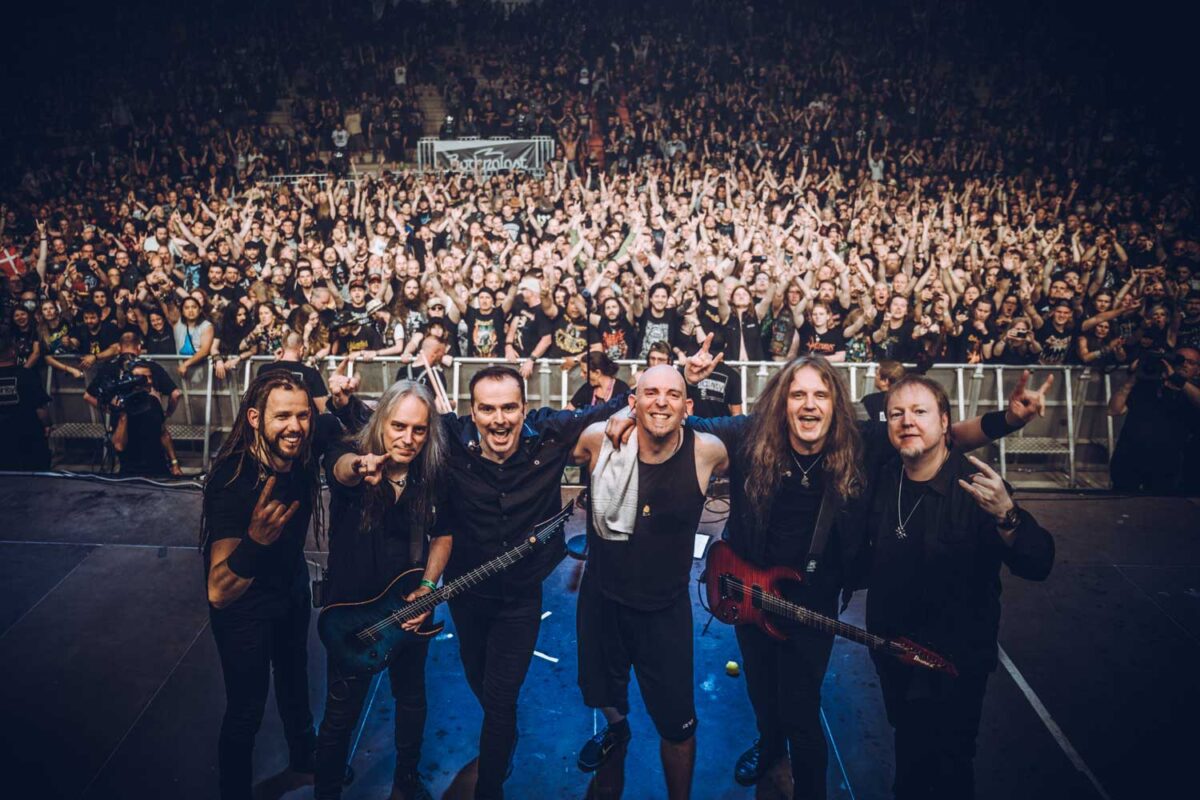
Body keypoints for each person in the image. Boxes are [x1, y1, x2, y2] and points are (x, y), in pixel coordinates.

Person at [607, 342, 1052, 797]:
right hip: (748, 591)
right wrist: (632, 409)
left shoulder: (860, 441)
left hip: (812, 604)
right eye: (798, 395)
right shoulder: (750, 434)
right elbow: (679, 423)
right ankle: (768, 744)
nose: (809, 405)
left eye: (820, 395)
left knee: (801, 713)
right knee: (762, 695)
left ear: (835, 403)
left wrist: (1009, 419)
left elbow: (943, 434)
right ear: (782, 403)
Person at [438, 364, 630, 800]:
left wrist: (629, 411)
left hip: (520, 597)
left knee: (501, 698)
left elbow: (620, 403)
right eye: (488, 409)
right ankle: (503, 733)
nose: (499, 419)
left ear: (525, 409)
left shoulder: (549, 435)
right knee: (480, 682)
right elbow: (386, 425)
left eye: (509, 408)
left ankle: (491, 786)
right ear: (472, 411)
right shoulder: (448, 438)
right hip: (466, 594)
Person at [867, 374, 1055, 799]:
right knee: (908, 748)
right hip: (893, 652)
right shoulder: (882, 478)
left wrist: (1007, 515)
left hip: (955, 661)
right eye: (897, 413)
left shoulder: (977, 486)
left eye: (919, 411)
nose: (907, 421)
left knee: (950, 764)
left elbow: (1038, 563)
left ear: (944, 422)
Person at [571, 365, 729, 799]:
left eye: (672, 395)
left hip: (664, 611)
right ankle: (617, 730)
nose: (661, 401)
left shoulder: (707, 451)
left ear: (688, 406)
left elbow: (759, 459)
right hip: (603, 600)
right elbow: (557, 455)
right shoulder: (599, 440)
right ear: (633, 401)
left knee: (678, 727)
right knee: (603, 691)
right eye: (651, 393)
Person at [314, 381, 450, 800]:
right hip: (352, 615)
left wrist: (428, 588)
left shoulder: (431, 473)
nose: (408, 438)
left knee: (412, 698)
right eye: (399, 426)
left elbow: (444, 534)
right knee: (341, 713)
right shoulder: (352, 454)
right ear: (381, 422)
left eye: (419, 429)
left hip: (408, 608)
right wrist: (360, 466)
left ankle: (406, 780)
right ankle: (326, 791)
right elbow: (340, 468)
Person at [201, 372, 326, 800]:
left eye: (303, 415)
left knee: (294, 676)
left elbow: (342, 437)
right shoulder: (232, 481)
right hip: (244, 608)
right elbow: (218, 591)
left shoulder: (300, 454)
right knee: (246, 708)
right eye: (283, 416)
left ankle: (304, 758)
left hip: (289, 588)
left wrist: (345, 408)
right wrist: (255, 541)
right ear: (255, 418)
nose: (295, 426)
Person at [1107, 347, 1200, 493]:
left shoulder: (1192, 392)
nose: (1184, 364)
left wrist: (1177, 380)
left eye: (1191, 362)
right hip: (1130, 457)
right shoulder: (1149, 383)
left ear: (1198, 370)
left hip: (1165, 464)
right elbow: (1114, 410)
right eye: (1180, 359)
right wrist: (1131, 380)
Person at [0, 330, 52, 471]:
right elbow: (41, 410)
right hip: (27, 443)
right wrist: (47, 426)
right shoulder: (26, 375)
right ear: (13, 351)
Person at [258, 332, 331, 412]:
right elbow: (324, 409)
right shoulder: (311, 373)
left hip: (272, 418)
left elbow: (257, 401)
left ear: (281, 349)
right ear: (301, 349)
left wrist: (275, 362)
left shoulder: (264, 370)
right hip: (301, 418)